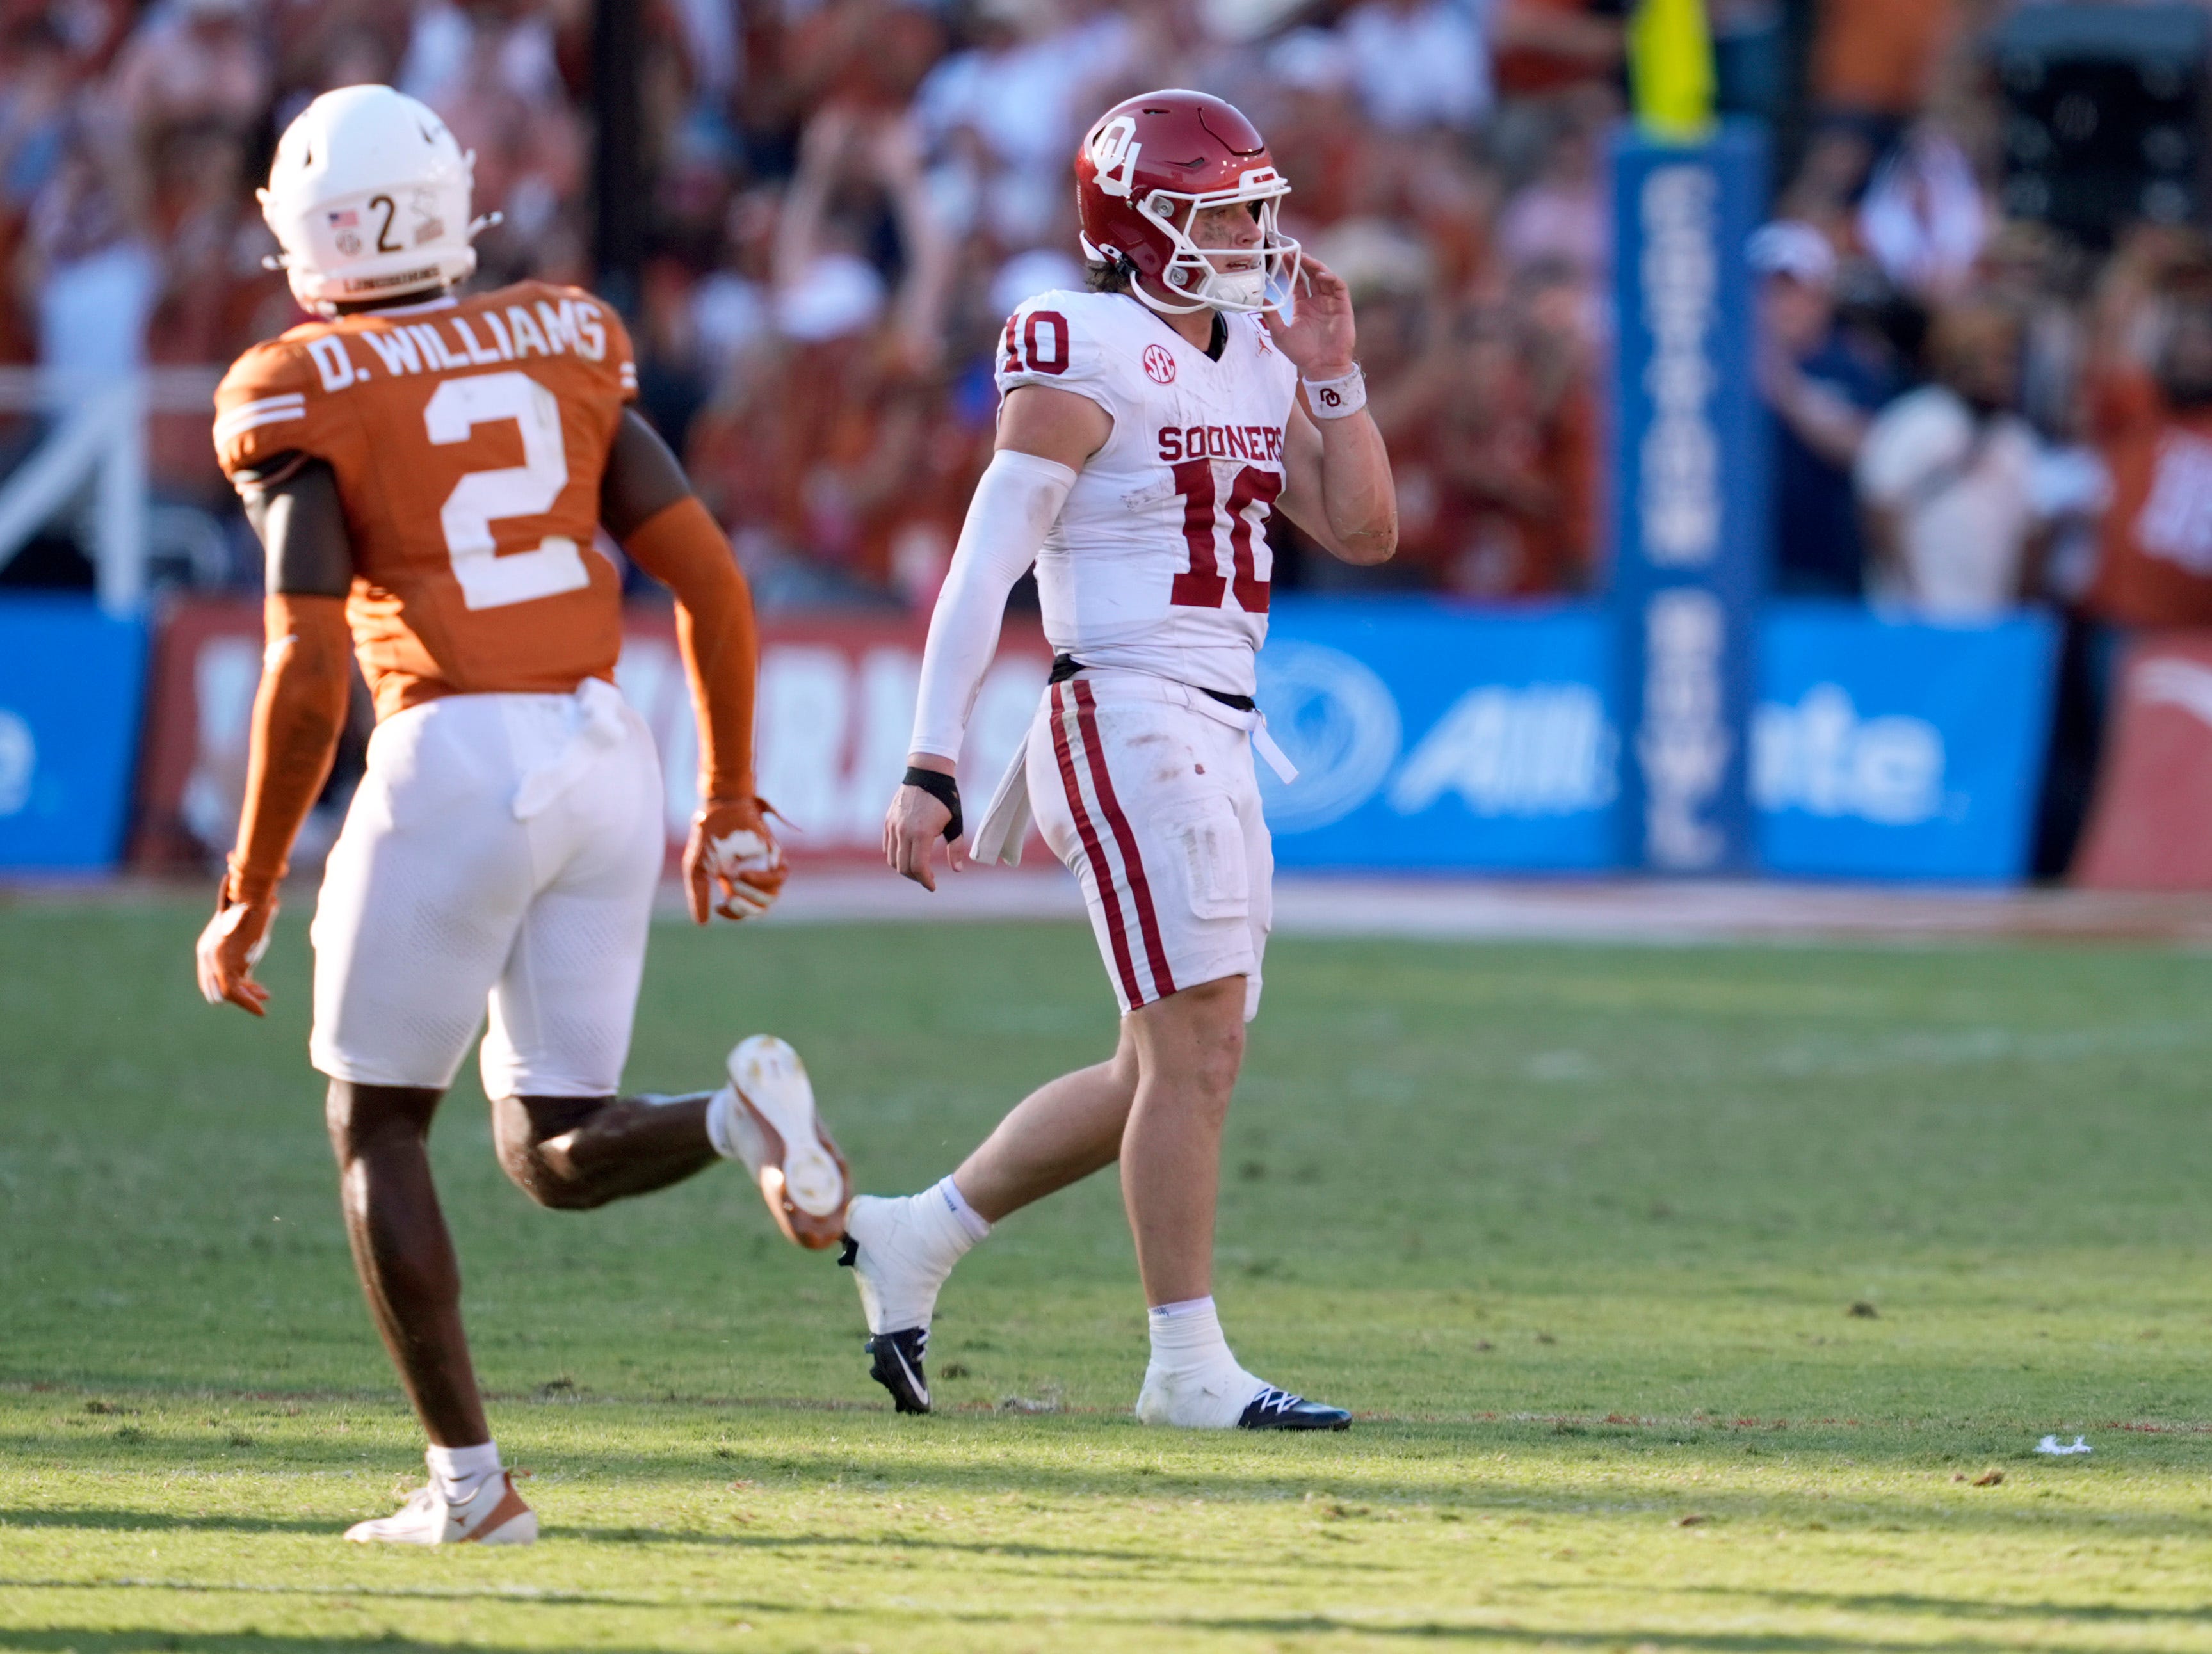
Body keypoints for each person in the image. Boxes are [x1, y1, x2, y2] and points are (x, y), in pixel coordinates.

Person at [193, 86, 851, 1545]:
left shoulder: (297, 381)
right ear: (447, 202)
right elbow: (714, 589)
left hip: (452, 753)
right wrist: (728, 797)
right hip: (602, 750)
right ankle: (736, 1117)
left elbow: (307, 663)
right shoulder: (560, 332)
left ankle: (469, 1492)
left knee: (377, 1128)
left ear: (309, 227)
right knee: (551, 1146)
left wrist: (246, 882)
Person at [849, 90, 1398, 1429]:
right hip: (1123, 703)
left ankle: (914, 1233)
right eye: (1220, 210)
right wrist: (931, 757)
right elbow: (985, 564)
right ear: (1135, 226)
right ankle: (1184, 1367)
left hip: (1216, 717)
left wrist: (1333, 375)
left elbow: (1363, 526)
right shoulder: (1074, 342)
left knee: (1160, 1058)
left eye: (1258, 207)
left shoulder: (1259, 352)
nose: (1251, 234)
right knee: (1195, 1045)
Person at [1855, 300, 2046, 621]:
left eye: (2010, 361)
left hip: (1987, 625)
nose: (2004, 373)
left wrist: (2014, 612)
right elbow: (1880, 509)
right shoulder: (1915, 422)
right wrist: (1913, 598)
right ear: (1960, 359)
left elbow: (2031, 531)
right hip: (1914, 622)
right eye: (1994, 360)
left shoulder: (2016, 441)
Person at [1749, 220, 1890, 599]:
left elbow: (1867, 450)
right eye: (1766, 291)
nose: (1778, 305)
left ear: (1822, 296)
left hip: (1826, 572)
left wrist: (1783, 385)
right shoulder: (1719, 370)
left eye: (1791, 291)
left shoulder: (1853, 366)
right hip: (1741, 571)